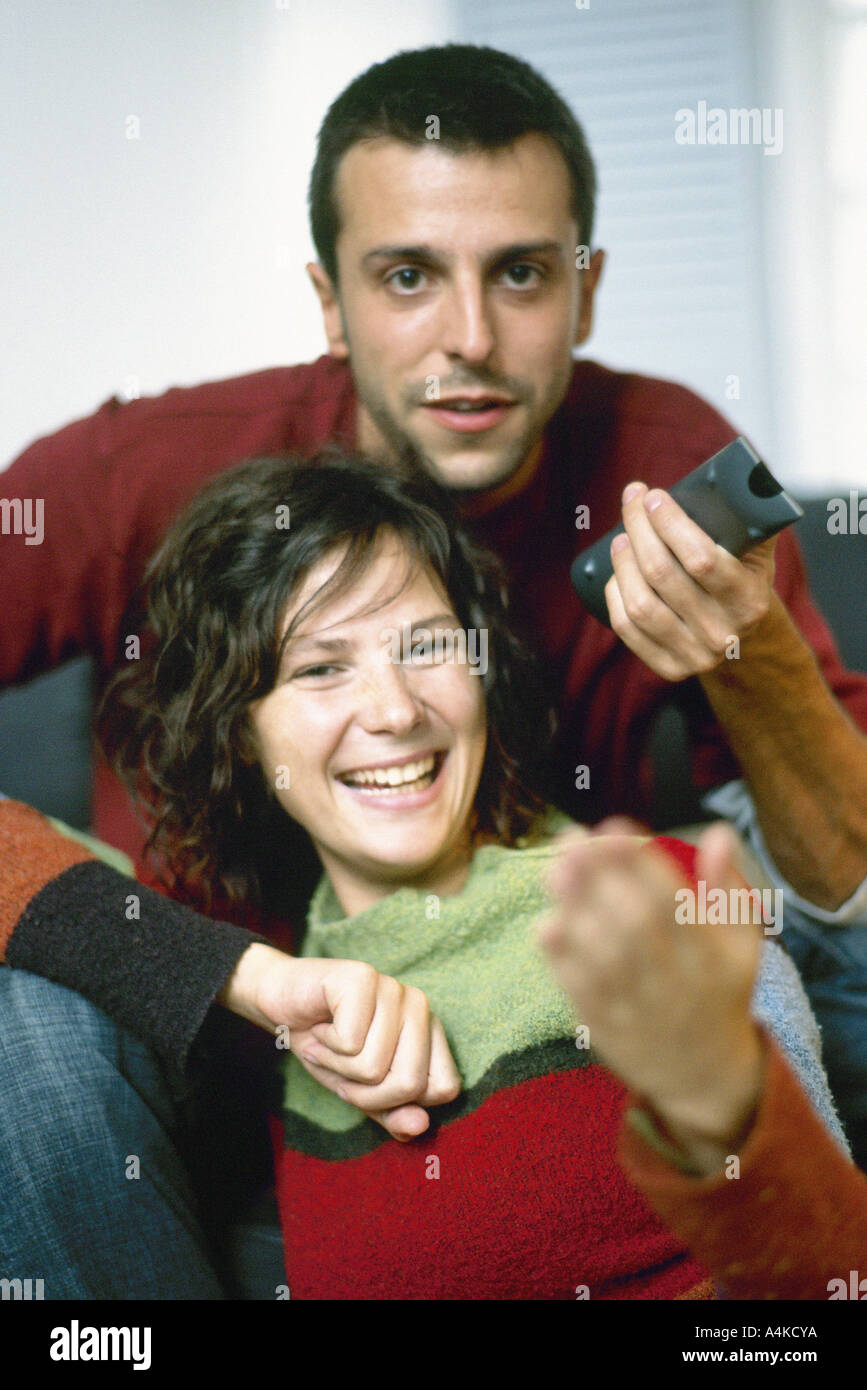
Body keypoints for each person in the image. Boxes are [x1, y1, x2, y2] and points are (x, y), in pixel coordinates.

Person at [1, 44, 865, 1157]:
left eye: (520, 273)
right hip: (201, 1013)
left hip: (513, 998)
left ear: (584, 288)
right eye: (408, 276)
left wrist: (753, 658)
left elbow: (843, 884)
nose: (470, 337)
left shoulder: (664, 467)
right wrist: (199, 967)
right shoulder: (130, 476)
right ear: (331, 300)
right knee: (29, 1018)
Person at [2, 451, 862, 1300]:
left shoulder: (639, 907)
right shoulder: (243, 985)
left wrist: (724, 1099)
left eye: (426, 647)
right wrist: (240, 978)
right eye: (320, 667)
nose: (395, 710)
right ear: (238, 731)